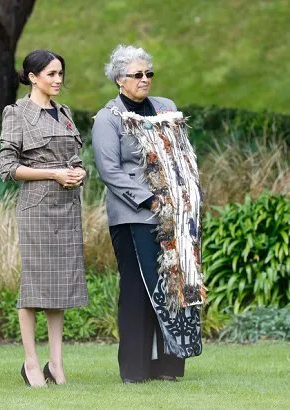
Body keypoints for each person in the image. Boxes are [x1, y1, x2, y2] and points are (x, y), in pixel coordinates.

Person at [91, 44, 204, 384]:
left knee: (174, 286)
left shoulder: (166, 109)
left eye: (148, 74)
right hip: (134, 216)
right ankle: (136, 370)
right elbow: (110, 171)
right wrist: (150, 200)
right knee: (138, 291)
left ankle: (170, 366)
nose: (144, 80)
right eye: (136, 75)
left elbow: (183, 155)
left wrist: (185, 196)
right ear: (119, 80)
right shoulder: (108, 118)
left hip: (175, 220)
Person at [0, 50, 89, 387]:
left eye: (60, 73)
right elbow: (7, 167)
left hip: (67, 209)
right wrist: (53, 174)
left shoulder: (64, 113)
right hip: (37, 210)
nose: (58, 79)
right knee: (34, 289)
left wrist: (78, 171)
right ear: (33, 77)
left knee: (59, 288)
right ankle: (31, 362)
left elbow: (74, 157)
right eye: (51, 74)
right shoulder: (17, 113)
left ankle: (56, 363)